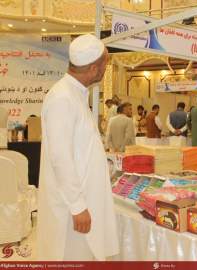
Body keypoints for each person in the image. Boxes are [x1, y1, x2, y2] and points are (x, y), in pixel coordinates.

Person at [37, 34, 119, 261]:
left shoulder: (75, 95)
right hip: (70, 210)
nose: (105, 69)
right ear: (94, 68)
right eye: (105, 64)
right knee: (67, 258)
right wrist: (77, 206)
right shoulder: (62, 98)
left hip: (80, 202)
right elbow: (60, 157)